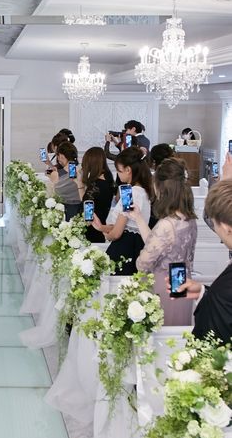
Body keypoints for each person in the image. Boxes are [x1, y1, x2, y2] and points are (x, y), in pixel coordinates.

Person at [127, 158, 197, 325]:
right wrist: (138, 218)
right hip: (182, 285)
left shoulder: (166, 224)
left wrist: (141, 254)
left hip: (163, 289)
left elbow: (142, 264)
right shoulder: (189, 219)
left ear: (161, 188)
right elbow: (159, 243)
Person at [172, 180, 232, 343]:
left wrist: (212, 297)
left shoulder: (222, 293)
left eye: (214, 223)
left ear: (226, 228)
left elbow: (211, 347)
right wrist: (204, 292)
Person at [92, 147, 153, 275]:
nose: (118, 174)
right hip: (136, 246)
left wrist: (107, 235)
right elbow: (127, 225)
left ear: (128, 170)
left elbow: (117, 233)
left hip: (125, 248)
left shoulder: (130, 193)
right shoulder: (144, 190)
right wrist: (101, 227)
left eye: (119, 171)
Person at [75, 147, 114, 243]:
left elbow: (85, 208)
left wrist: (80, 184)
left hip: (91, 232)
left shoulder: (96, 186)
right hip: (99, 228)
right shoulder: (108, 178)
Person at [47, 141, 81, 221]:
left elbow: (54, 190)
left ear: (61, 156)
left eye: (58, 156)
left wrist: (49, 166)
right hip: (79, 210)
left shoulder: (58, 174)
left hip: (65, 211)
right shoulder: (82, 171)